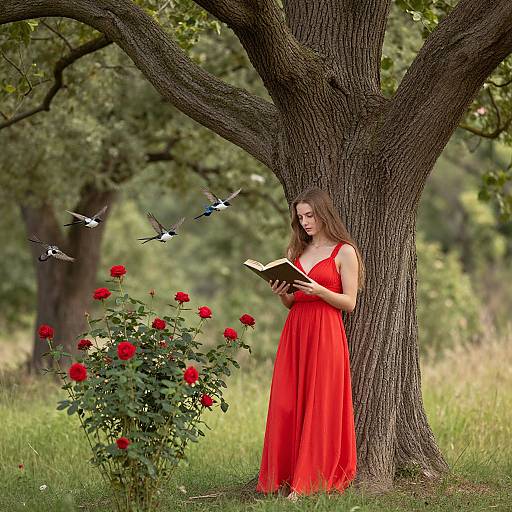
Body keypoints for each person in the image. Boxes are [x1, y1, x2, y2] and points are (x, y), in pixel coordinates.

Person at [256, 187, 364, 500]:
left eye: (310, 215)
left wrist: (320, 291)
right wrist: (280, 291)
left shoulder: (344, 252)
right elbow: (291, 303)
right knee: (289, 402)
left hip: (326, 330)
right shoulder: (296, 253)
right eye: (300, 217)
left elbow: (349, 302)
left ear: (323, 214)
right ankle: (286, 474)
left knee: (320, 402)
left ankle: (308, 483)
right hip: (296, 330)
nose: (304, 222)